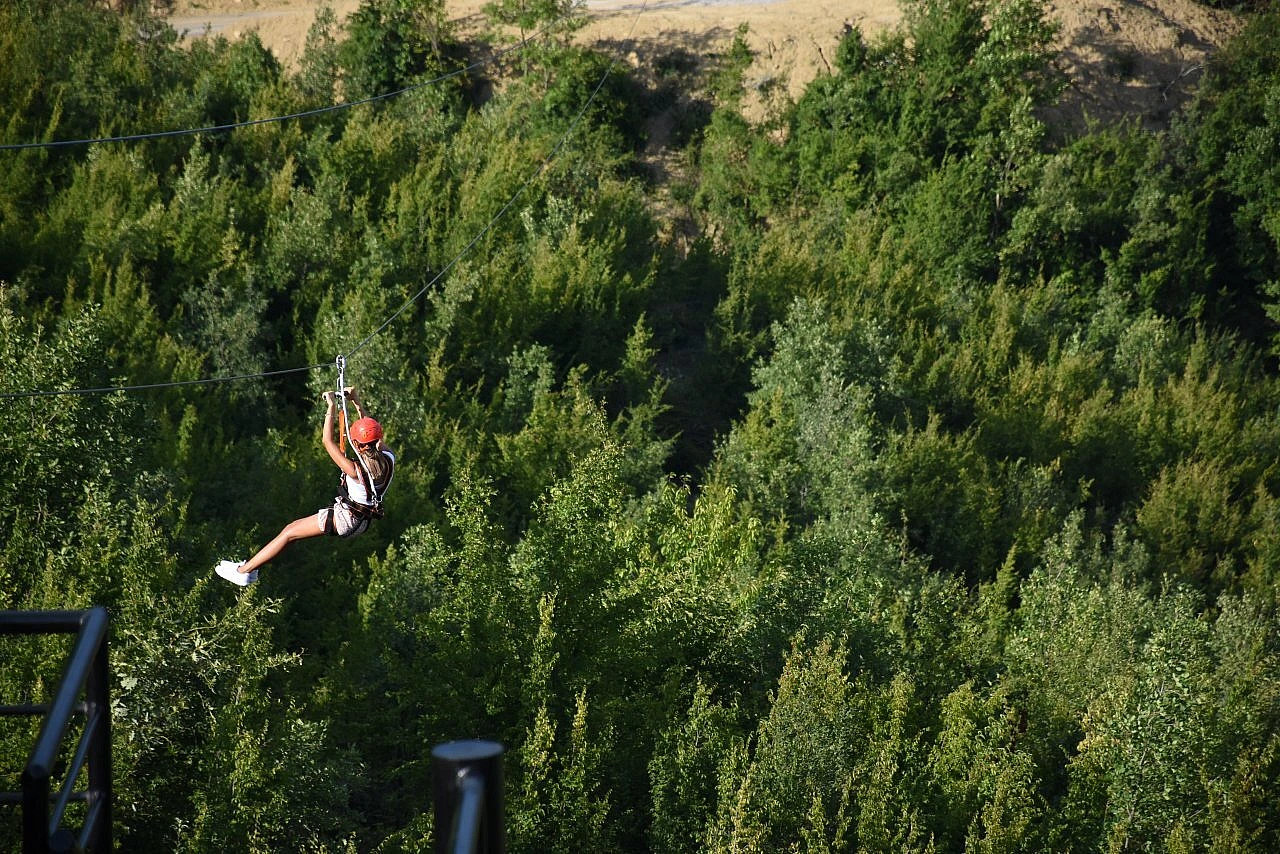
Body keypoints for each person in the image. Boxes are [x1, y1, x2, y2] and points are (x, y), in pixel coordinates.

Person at [215, 386, 395, 586]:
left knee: (289, 532)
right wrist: (356, 401)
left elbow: (327, 441)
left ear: (358, 445)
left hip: (346, 519)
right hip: (362, 521)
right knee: (291, 533)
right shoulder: (388, 458)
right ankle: (252, 569)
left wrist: (331, 406)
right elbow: (370, 433)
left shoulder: (355, 470)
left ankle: (244, 571)